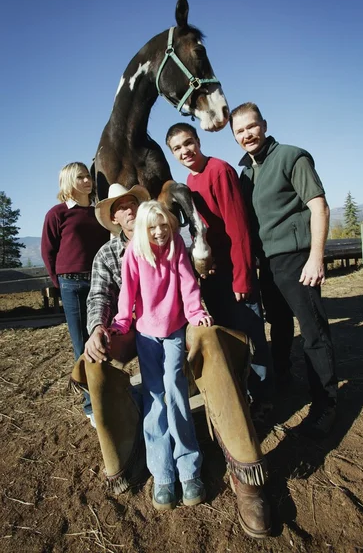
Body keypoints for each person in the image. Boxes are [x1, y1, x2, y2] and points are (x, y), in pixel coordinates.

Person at [78, 182, 270, 538]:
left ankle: (232, 464)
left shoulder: (171, 242)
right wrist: (99, 329)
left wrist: (197, 311)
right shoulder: (110, 255)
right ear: (115, 217)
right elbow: (102, 297)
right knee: (140, 387)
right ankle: (137, 462)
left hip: (177, 322)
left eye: (133, 201)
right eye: (120, 206)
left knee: (189, 372)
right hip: (136, 327)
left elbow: (188, 284)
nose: (129, 209)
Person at [230, 102, 338, 439]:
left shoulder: (292, 157)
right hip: (268, 263)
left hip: (298, 258)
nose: (248, 134)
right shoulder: (246, 173)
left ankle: (326, 404)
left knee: (313, 331)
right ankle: (284, 382)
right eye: (240, 131)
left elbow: (319, 206)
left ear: (263, 124)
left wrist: (316, 257)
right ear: (235, 137)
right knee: (278, 327)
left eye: (251, 126)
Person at [110, 201, 212, 510]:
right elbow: (127, 293)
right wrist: (121, 322)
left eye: (164, 226)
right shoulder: (134, 253)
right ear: (142, 229)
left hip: (174, 330)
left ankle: (189, 468)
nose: (159, 232)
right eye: (152, 227)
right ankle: (163, 472)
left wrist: (195, 312)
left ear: (170, 225)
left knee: (176, 390)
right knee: (155, 397)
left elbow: (187, 281)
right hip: (146, 334)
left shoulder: (176, 246)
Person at [165, 123, 273, 401]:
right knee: (227, 337)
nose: (185, 151)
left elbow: (239, 229)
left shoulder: (219, 171)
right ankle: (243, 392)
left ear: (198, 141)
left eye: (188, 143)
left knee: (250, 337)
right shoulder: (190, 182)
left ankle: (264, 397)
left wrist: (243, 277)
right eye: (177, 148)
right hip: (214, 274)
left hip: (235, 273)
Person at [41, 162, 109, 424]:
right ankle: (91, 405)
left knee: (104, 339)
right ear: (69, 181)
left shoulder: (99, 212)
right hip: (72, 284)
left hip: (99, 283)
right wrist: (59, 283)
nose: (87, 181)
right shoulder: (57, 213)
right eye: (80, 177)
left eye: (88, 176)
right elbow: (48, 251)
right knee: (82, 344)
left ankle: (109, 393)